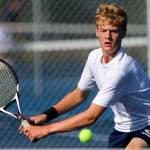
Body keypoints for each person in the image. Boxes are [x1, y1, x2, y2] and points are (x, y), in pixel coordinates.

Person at [20, 3, 150, 149]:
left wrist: (45, 130)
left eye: (113, 31)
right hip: (123, 128)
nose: (108, 36)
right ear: (97, 31)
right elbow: (79, 95)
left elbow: (91, 116)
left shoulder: (122, 68)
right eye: (104, 30)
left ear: (123, 33)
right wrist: (45, 116)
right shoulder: (94, 57)